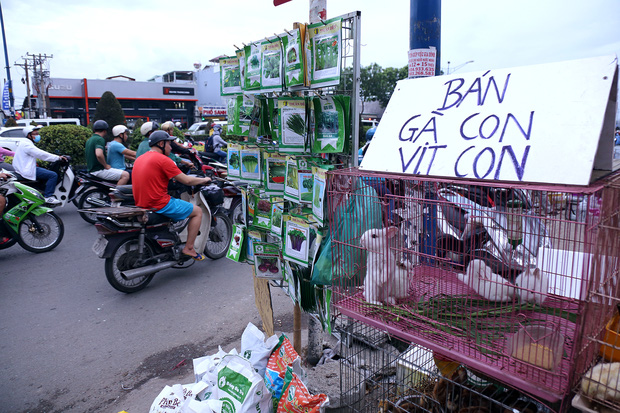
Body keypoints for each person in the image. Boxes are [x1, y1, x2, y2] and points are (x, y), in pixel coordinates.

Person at [132, 131, 212, 260]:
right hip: (159, 203)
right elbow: (187, 180)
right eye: (169, 144)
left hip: (141, 203)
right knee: (197, 211)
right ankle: (189, 248)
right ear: (161, 144)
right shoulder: (163, 160)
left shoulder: (141, 158)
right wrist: (205, 180)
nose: (171, 148)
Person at [13, 126, 67, 205]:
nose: (37, 135)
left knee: (46, 171)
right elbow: (41, 154)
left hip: (24, 168)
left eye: (38, 133)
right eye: (35, 134)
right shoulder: (27, 145)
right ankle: (48, 197)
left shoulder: (25, 143)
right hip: (26, 170)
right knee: (53, 175)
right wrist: (57, 158)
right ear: (29, 135)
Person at [85, 120, 130, 185]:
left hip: (91, 170)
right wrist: (105, 165)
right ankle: (116, 194)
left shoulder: (89, 140)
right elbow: (99, 154)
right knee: (125, 175)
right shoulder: (99, 139)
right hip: (99, 170)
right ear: (105, 131)